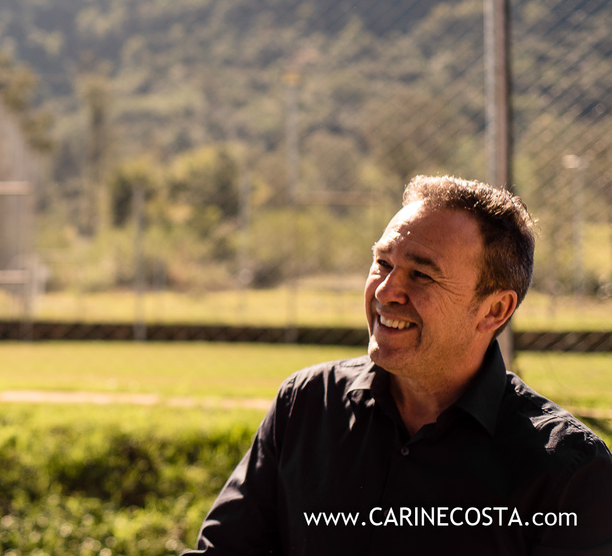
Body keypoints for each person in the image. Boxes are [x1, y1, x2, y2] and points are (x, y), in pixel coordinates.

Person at [186, 175, 612, 555]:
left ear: (495, 310)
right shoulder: (306, 404)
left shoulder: (569, 473)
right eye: (383, 263)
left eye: (422, 275)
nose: (387, 291)